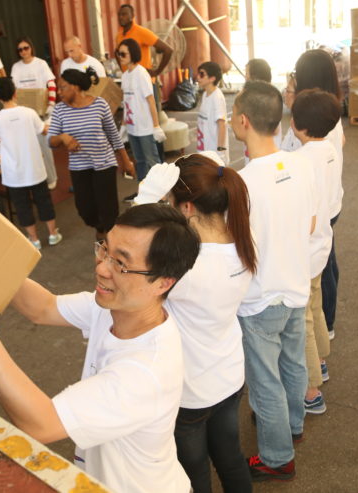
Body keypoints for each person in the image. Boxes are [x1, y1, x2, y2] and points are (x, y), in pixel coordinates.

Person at [0, 204, 201, 493]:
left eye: (120, 263)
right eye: (105, 250)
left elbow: (41, 424)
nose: (101, 268)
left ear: (163, 283)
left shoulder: (145, 372)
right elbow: (43, 307)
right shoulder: (117, 307)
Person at [134, 153, 255, 493]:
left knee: (194, 472)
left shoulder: (185, 261)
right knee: (231, 458)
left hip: (190, 389)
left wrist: (144, 199)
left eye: (171, 201)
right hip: (229, 374)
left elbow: (125, 263)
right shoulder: (243, 241)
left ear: (187, 208)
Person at [231, 80, 318, 482]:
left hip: (261, 296)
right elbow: (313, 222)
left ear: (244, 121)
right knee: (293, 362)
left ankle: (277, 456)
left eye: (234, 115)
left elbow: (239, 248)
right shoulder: (300, 163)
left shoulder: (242, 183)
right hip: (296, 285)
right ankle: (294, 426)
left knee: (265, 382)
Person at [293, 89, 341, 415]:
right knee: (317, 307)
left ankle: (312, 392)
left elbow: (300, 216)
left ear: (298, 124)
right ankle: (321, 362)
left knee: (304, 319)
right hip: (323, 243)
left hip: (305, 250)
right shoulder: (330, 150)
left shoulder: (301, 161)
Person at [294, 49, 346, 340]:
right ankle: (327, 322)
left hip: (320, 205)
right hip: (331, 199)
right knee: (328, 259)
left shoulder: (313, 121)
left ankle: (324, 326)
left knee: (320, 267)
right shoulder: (329, 113)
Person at [48, 68, 134, 241]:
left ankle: (110, 241)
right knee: (85, 209)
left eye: (63, 87)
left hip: (104, 163)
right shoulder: (59, 110)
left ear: (75, 87)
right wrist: (63, 138)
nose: (59, 92)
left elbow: (113, 135)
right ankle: (101, 228)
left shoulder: (99, 104)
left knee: (108, 209)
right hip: (79, 167)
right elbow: (50, 141)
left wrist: (126, 161)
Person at [0, 77, 62, 250]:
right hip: (34, 167)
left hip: (13, 172)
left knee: (22, 206)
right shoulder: (29, 113)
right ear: (15, 93)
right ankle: (53, 234)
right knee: (44, 201)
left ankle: (34, 239)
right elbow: (44, 130)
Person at [116, 4, 173, 162]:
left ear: (132, 15)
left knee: (152, 125)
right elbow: (117, 54)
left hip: (146, 83)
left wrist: (156, 72)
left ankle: (159, 163)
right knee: (137, 124)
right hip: (130, 80)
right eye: (119, 14)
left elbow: (167, 50)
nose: (121, 17)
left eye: (125, 14)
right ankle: (145, 164)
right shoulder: (119, 34)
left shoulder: (141, 32)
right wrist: (124, 72)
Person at [118, 39, 166, 197]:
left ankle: (163, 194)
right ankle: (145, 193)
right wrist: (124, 125)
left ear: (133, 54)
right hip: (132, 128)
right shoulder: (125, 76)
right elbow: (126, 102)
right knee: (140, 162)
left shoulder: (141, 73)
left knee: (152, 161)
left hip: (145, 128)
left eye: (124, 53)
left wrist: (156, 126)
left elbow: (150, 99)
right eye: (119, 53)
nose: (121, 56)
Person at [10, 37, 58, 188]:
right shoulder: (16, 67)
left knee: (45, 147)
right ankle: (36, 178)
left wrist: (51, 102)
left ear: (31, 48)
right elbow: (14, 89)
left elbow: (51, 83)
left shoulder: (41, 64)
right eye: (20, 49)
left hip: (42, 112)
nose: (24, 51)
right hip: (25, 112)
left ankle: (51, 178)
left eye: (26, 48)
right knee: (29, 147)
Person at [243, 58, 282, 164]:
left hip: (264, 159)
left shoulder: (266, 99)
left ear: (255, 77)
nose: (245, 77)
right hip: (255, 157)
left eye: (247, 73)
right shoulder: (263, 96)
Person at [196, 61, 229, 164]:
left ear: (212, 78)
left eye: (202, 74)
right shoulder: (205, 94)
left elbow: (221, 125)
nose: (198, 77)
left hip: (214, 152)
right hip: (204, 148)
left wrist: (220, 151)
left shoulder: (217, 98)